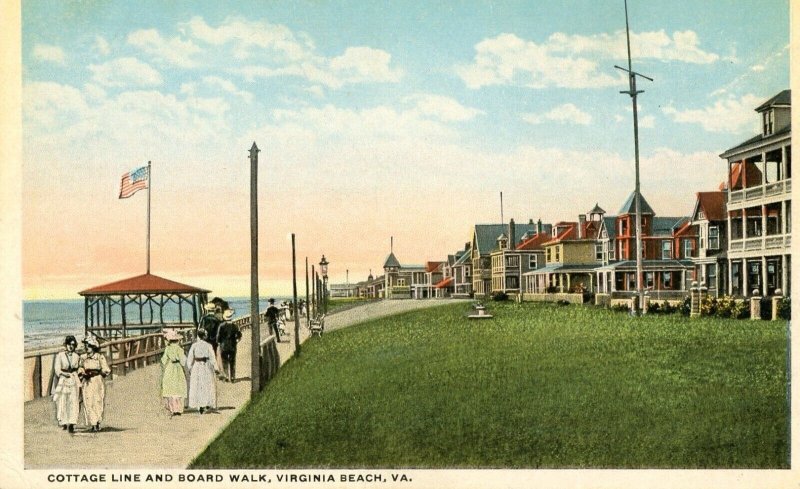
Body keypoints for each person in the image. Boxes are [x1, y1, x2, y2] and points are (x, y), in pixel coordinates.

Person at [79, 334, 111, 432]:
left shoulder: (99, 357)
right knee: (88, 402)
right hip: (87, 382)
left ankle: (97, 422)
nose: (86, 348)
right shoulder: (83, 357)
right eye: (86, 346)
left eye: (88, 345)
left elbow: (106, 369)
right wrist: (83, 373)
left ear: (93, 347)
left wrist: (98, 372)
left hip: (97, 381)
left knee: (97, 401)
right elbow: (80, 368)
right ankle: (93, 423)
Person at [52, 335, 81, 433]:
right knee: (63, 400)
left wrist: (77, 374)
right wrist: (64, 374)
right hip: (64, 379)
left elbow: (78, 368)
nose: (71, 346)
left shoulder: (77, 356)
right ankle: (64, 422)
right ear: (66, 345)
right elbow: (57, 369)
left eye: (73, 345)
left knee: (73, 400)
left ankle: (72, 423)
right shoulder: (60, 355)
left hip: (73, 379)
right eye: (69, 344)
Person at [186, 328, 218, 414]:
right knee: (205, 384)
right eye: (206, 335)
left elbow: (190, 358)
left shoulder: (194, 345)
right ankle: (203, 404)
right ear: (203, 336)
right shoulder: (208, 345)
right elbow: (212, 358)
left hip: (197, 366)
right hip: (205, 366)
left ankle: (202, 404)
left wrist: (190, 367)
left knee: (199, 385)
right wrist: (216, 368)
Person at [160, 329, 187, 416]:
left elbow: (163, 360)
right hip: (178, 367)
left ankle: (172, 408)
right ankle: (178, 409)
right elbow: (183, 361)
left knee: (170, 387)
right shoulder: (179, 349)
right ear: (177, 340)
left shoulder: (167, 349)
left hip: (170, 367)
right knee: (178, 387)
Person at [216, 309, 242, 383]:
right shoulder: (235, 326)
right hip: (232, 346)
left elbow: (218, 337)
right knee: (232, 361)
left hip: (223, 346)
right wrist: (237, 340)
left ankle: (227, 376)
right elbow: (239, 335)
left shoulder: (221, 326)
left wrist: (219, 342)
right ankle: (233, 377)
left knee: (224, 361)